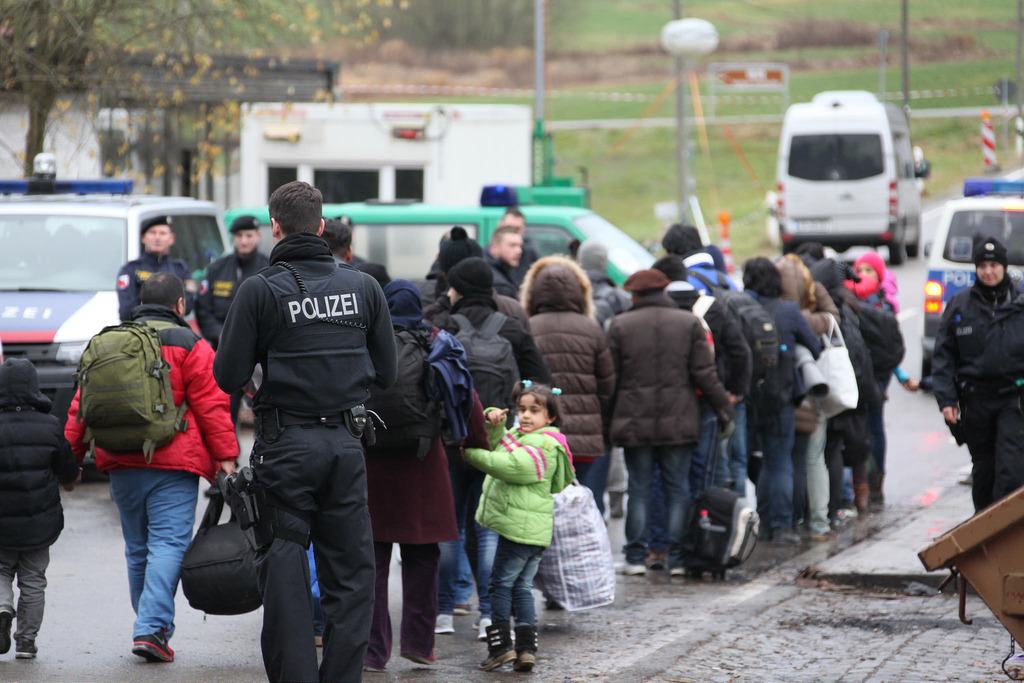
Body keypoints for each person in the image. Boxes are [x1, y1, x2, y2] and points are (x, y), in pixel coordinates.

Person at [212, 180, 397, 683]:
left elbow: (226, 376)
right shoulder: (363, 287)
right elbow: (388, 372)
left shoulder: (259, 290)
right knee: (352, 577)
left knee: (287, 578)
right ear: (321, 226)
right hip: (344, 445)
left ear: (274, 227)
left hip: (286, 448)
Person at [65, 273, 238, 663]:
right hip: (173, 464)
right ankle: (151, 628)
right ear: (181, 305)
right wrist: (226, 457)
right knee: (168, 544)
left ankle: (149, 623)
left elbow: (82, 405)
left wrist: (70, 459)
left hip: (120, 460)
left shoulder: (111, 342)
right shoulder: (190, 344)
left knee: (138, 549)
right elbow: (212, 406)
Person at [426, 255, 549, 640]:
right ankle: (487, 616)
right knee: (489, 530)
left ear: (457, 289)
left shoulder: (441, 327)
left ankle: (444, 612)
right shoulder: (512, 328)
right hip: (498, 444)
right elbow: (541, 381)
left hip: (450, 441)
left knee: (448, 526)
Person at [362, 279, 478, 673]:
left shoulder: (364, 341)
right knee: (423, 558)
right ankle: (419, 644)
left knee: (372, 563)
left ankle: (374, 651)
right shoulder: (437, 342)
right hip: (424, 463)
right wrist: (475, 443)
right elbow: (465, 395)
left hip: (370, 466)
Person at [607, 268, 734, 575]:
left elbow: (611, 379)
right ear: (663, 291)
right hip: (679, 421)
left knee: (639, 488)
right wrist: (724, 410)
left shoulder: (620, 325)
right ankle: (677, 557)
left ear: (635, 295)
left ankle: (636, 557)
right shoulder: (688, 323)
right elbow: (705, 373)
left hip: (635, 422)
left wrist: (607, 419)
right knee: (678, 488)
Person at [463, 381, 575, 672]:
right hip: (531, 532)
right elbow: (501, 444)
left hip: (520, 532)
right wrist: (493, 421)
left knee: (500, 586)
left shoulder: (543, 446)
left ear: (550, 417)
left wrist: (469, 454)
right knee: (522, 587)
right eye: (521, 409)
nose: (525, 416)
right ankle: (526, 649)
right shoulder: (528, 437)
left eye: (534, 411)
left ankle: (500, 648)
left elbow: (508, 465)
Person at [932, 237, 1024, 512]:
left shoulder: (1019, 304)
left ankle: (1006, 538)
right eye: (982, 265)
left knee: (1011, 471)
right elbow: (943, 355)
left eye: (994, 265)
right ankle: (982, 538)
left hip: (1014, 400)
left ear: (1004, 267)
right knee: (984, 473)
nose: (988, 271)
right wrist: (946, 400)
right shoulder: (960, 306)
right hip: (976, 402)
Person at [0, 358, 81, 660]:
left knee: (1, 570)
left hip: (2, 523)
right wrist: (70, 480)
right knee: (34, 580)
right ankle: (26, 641)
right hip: (39, 520)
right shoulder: (49, 425)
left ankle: (2, 606)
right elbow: (67, 469)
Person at [741, 257, 821, 545]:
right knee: (780, 462)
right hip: (782, 397)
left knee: (751, 462)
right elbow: (815, 345)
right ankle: (782, 527)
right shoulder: (787, 310)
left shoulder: (741, 307)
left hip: (748, 397)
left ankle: (760, 527)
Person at [519, 255, 615, 488]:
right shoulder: (591, 329)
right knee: (583, 503)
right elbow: (607, 384)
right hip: (584, 438)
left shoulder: (527, 327)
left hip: (539, 437)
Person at [775, 254, 839, 540]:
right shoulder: (810, 312)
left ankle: (786, 520)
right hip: (812, 391)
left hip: (780, 391)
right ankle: (818, 523)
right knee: (813, 457)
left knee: (782, 459)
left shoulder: (774, 310)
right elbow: (833, 318)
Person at [195, 214, 270, 423]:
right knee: (223, 410)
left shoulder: (269, 267)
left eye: (248, 235)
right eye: (239, 236)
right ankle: (229, 454)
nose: (244, 241)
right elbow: (203, 309)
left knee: (263, 409)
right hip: (223, 351)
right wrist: (221, 335)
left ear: (258, 236)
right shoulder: (218, 268)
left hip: (258, 354)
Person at [117, 216, 197, 321]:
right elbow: (126, 309)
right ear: (143, 238)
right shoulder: (130, 269)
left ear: (171, 239)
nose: (157, 238)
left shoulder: (180, 269)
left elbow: (188, 305)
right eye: (152, 233)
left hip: (172, 330)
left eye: (162, 233)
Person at [500, 207, 539, 285]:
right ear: (500, 225)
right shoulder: (488, 255)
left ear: (523, 229)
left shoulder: (529, 254)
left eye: (517, 229)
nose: (513, 232)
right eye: (509, 228)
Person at [486, 225, 524, 299]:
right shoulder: (500, 287)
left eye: (520, 246)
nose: (519, 251)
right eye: (512, 245)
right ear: (495, 247)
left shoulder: (504, 270)